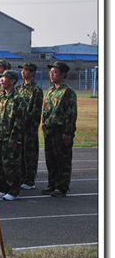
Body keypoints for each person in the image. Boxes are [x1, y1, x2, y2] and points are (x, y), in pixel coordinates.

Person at [41, 61, 77, 197]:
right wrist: (43, 126)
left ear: (63, 74)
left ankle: (62, 187)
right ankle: (52, 185)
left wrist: (68, 132)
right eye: (51, 72)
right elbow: (45, 111)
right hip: (49, 131)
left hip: (61, 131)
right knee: (50, 160)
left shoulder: (67, 92)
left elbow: (71, 114)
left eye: (55, 72)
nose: (51, 74)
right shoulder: (50, 91)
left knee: (62, 160)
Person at [0, 70, 26, 201]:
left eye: (5, 78)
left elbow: (20, 121)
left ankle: (14, 190)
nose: (1, 80)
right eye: (1, 78)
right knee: (0, 164)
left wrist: (14, 138)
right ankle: (2, 188)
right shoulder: (1, 98)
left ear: (12, 81)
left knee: (12, 165)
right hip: (0, 136)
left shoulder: (18, 99)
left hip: (10, 138)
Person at [16, 62, 44, 190]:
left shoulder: (36, 90)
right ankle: (21, 177)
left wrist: (33, 127)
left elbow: (36, 110)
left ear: (32, 73)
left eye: (26, 70)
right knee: (20, 153)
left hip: (29, 126)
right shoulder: (19, 89)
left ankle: (29, 180)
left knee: (30, 154)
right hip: (20, 126)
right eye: (22, 70)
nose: (23, 72)